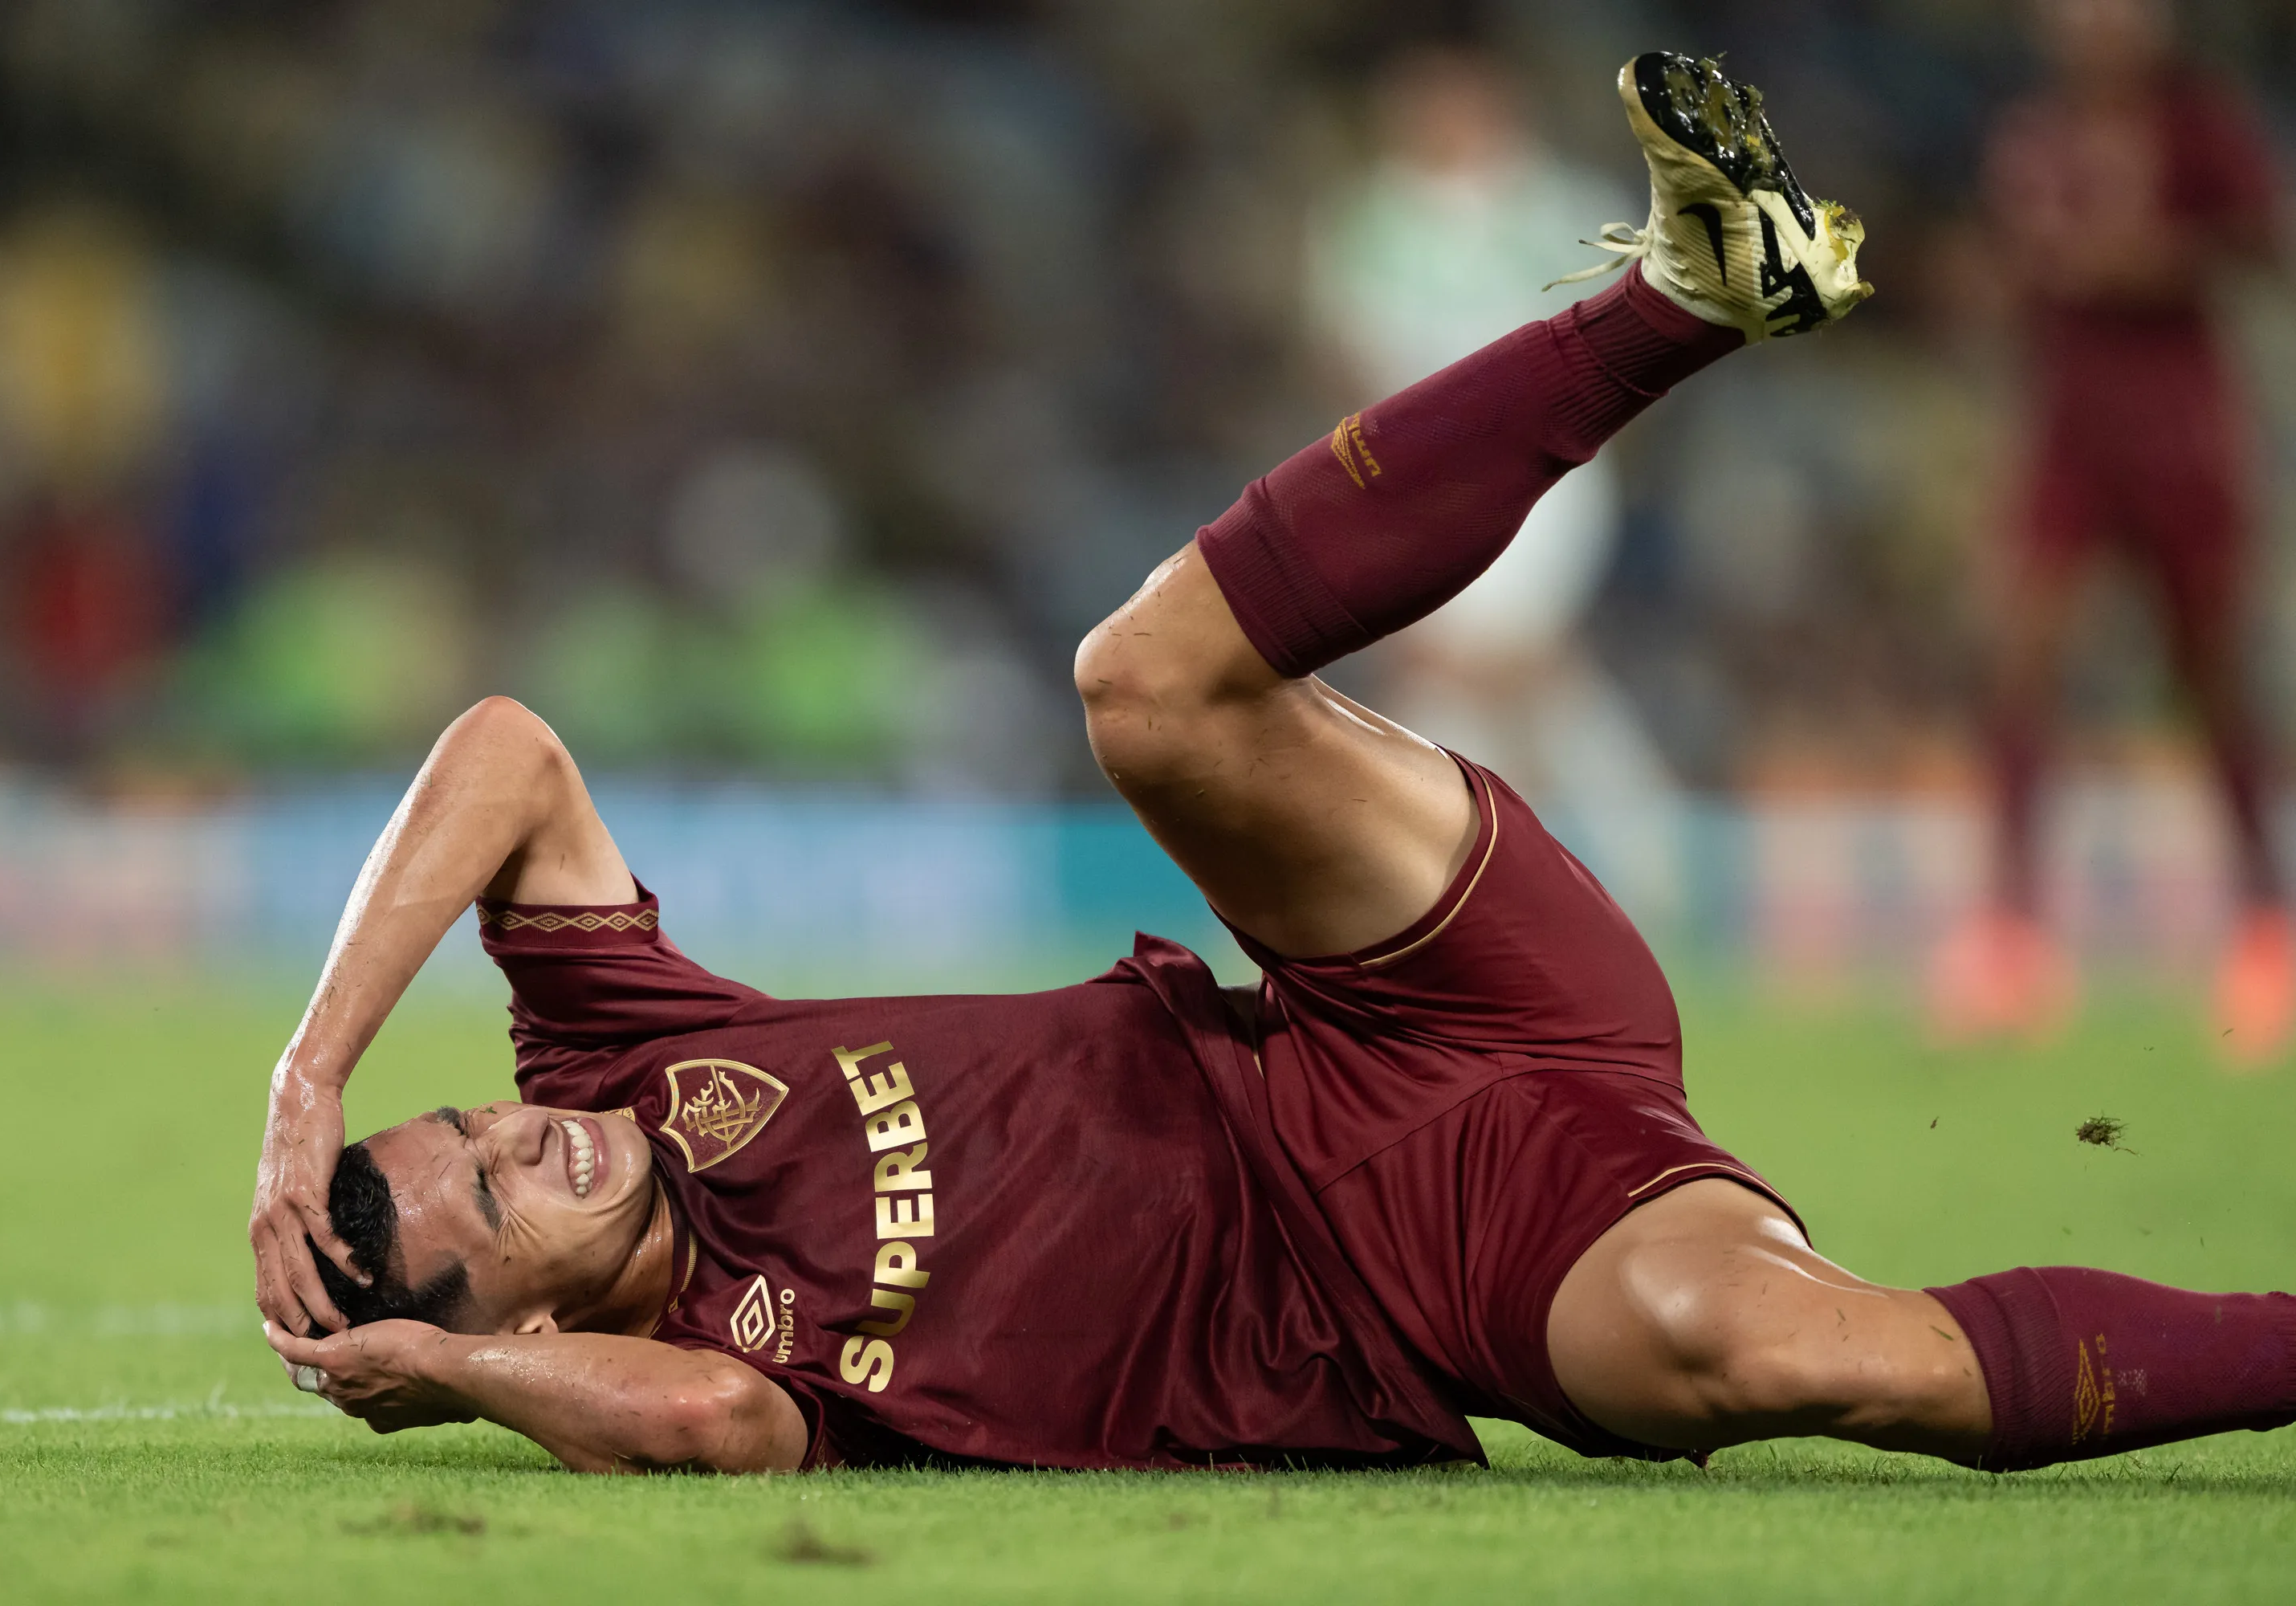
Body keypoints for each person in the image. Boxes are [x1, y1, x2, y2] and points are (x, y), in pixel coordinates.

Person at [253, 55, 2296, 1478]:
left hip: (1383, 994)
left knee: (1142, 683)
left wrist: (314, 1070)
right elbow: (709, 1436)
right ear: (514, 1325)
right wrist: (439, 1366)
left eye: (479, 1121)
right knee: (1766, 1353)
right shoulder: (711, 1367)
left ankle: (1682, 294)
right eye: (493, 1199)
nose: (535, 1141)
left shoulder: (615, 1060)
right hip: (1449, 1268)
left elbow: (507, 749)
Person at [1929, 0, 2292, 1059]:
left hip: (2181, 426)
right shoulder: (2031, 129)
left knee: (2213, 672)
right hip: (2066, 431)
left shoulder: (2199, 125)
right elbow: (2008, 269)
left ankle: (2266, 925)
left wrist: (2146, 259)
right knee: (2019, 659)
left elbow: (2264, 247)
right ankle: (2010, 939)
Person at [1309, 47, 1683, 921]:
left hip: (1549, 473)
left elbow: (1630, 339)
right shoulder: (1367, 219)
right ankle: (1611, 859)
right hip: (1417, 470)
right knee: (1474, 680)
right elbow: (1346, 359)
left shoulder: (1568, 206)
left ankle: (1431, 888)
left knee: (1500, 667)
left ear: (1490, 96)